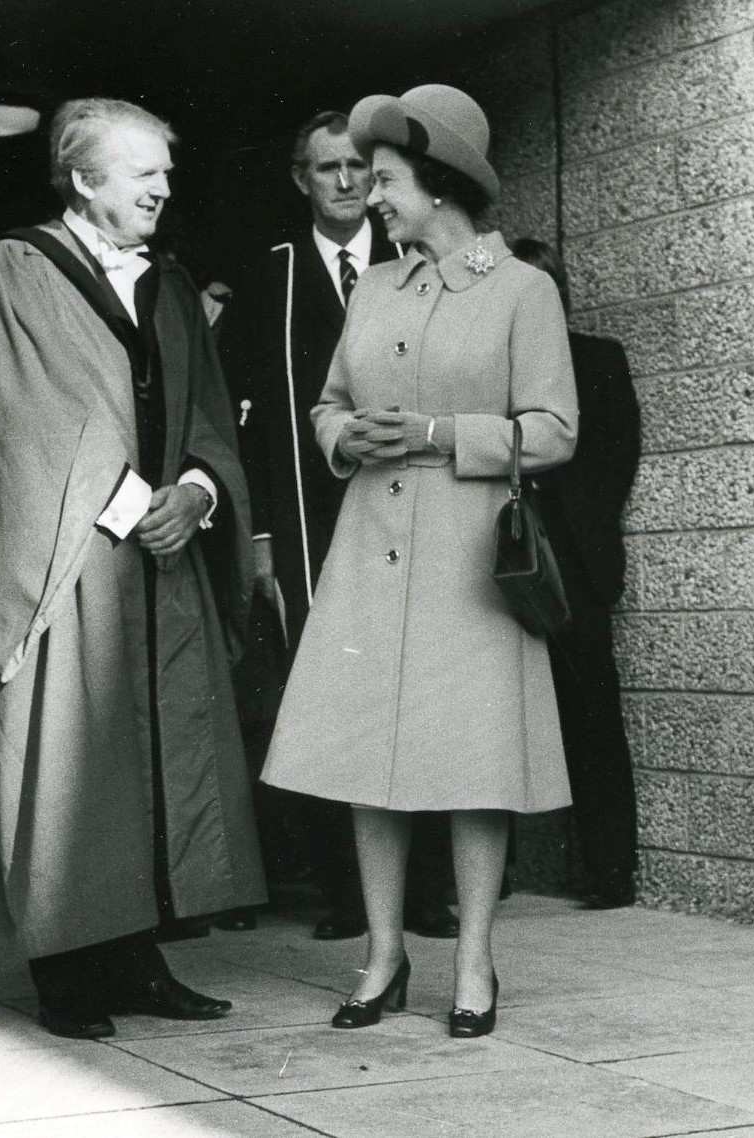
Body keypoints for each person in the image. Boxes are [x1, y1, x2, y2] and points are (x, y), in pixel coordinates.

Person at [0, 97, 266, 1040]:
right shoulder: (12, 272)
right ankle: (67, 968)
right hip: (69, 557)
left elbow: (204, 412)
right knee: (72, 759)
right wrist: (127, 506)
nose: (163, 187)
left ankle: (135, 956)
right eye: (142, 171)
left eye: (165, 170)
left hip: (162, 558)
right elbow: (10, 422)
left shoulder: (167, 283)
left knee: (154, 759)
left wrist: (196, 493)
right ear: (83, 179)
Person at [262, 84, 578, 1038]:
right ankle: (384, 955)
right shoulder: (373, 285)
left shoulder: (522, 288)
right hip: (369, 550)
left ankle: (474, 962)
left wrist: (440, 432)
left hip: (466, 558)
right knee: (371, 762)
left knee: (472, 767)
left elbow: (555, 430)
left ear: (437, 187)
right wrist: (341, 436)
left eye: (386, 178)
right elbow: (323, 403)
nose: (369, 194)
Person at [220, 109, 458, 941]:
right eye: (328, 169)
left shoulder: (417, 260)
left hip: (414, 516)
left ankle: (426, 887)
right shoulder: (268, 278)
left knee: (416, 695)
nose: (349, 182)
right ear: (302, 179)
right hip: (306, 524)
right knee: (329, 698)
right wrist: (256, 545)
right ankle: (347, 893)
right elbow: (240, 422)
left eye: (361, 167)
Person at [509, 237, 642, 909]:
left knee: (592, 713)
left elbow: (618, 453)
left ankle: (610, 870)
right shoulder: (488, 367)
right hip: (500, 557)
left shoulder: (597, 358)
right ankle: (485, 874)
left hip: (575, 562)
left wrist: (577, 527)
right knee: (492, 715)